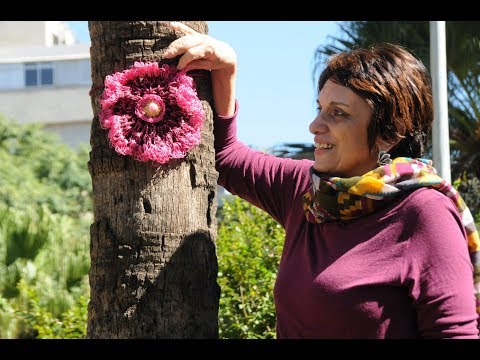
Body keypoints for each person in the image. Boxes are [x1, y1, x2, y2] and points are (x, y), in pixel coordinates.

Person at [163, 22, 480, 339]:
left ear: (389, 132)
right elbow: (227, 158)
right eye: (320, 108)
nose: (315, 125)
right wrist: (226, 68)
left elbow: (454, 334)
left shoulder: (425, 212)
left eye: (338, 113)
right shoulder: (306, 191)